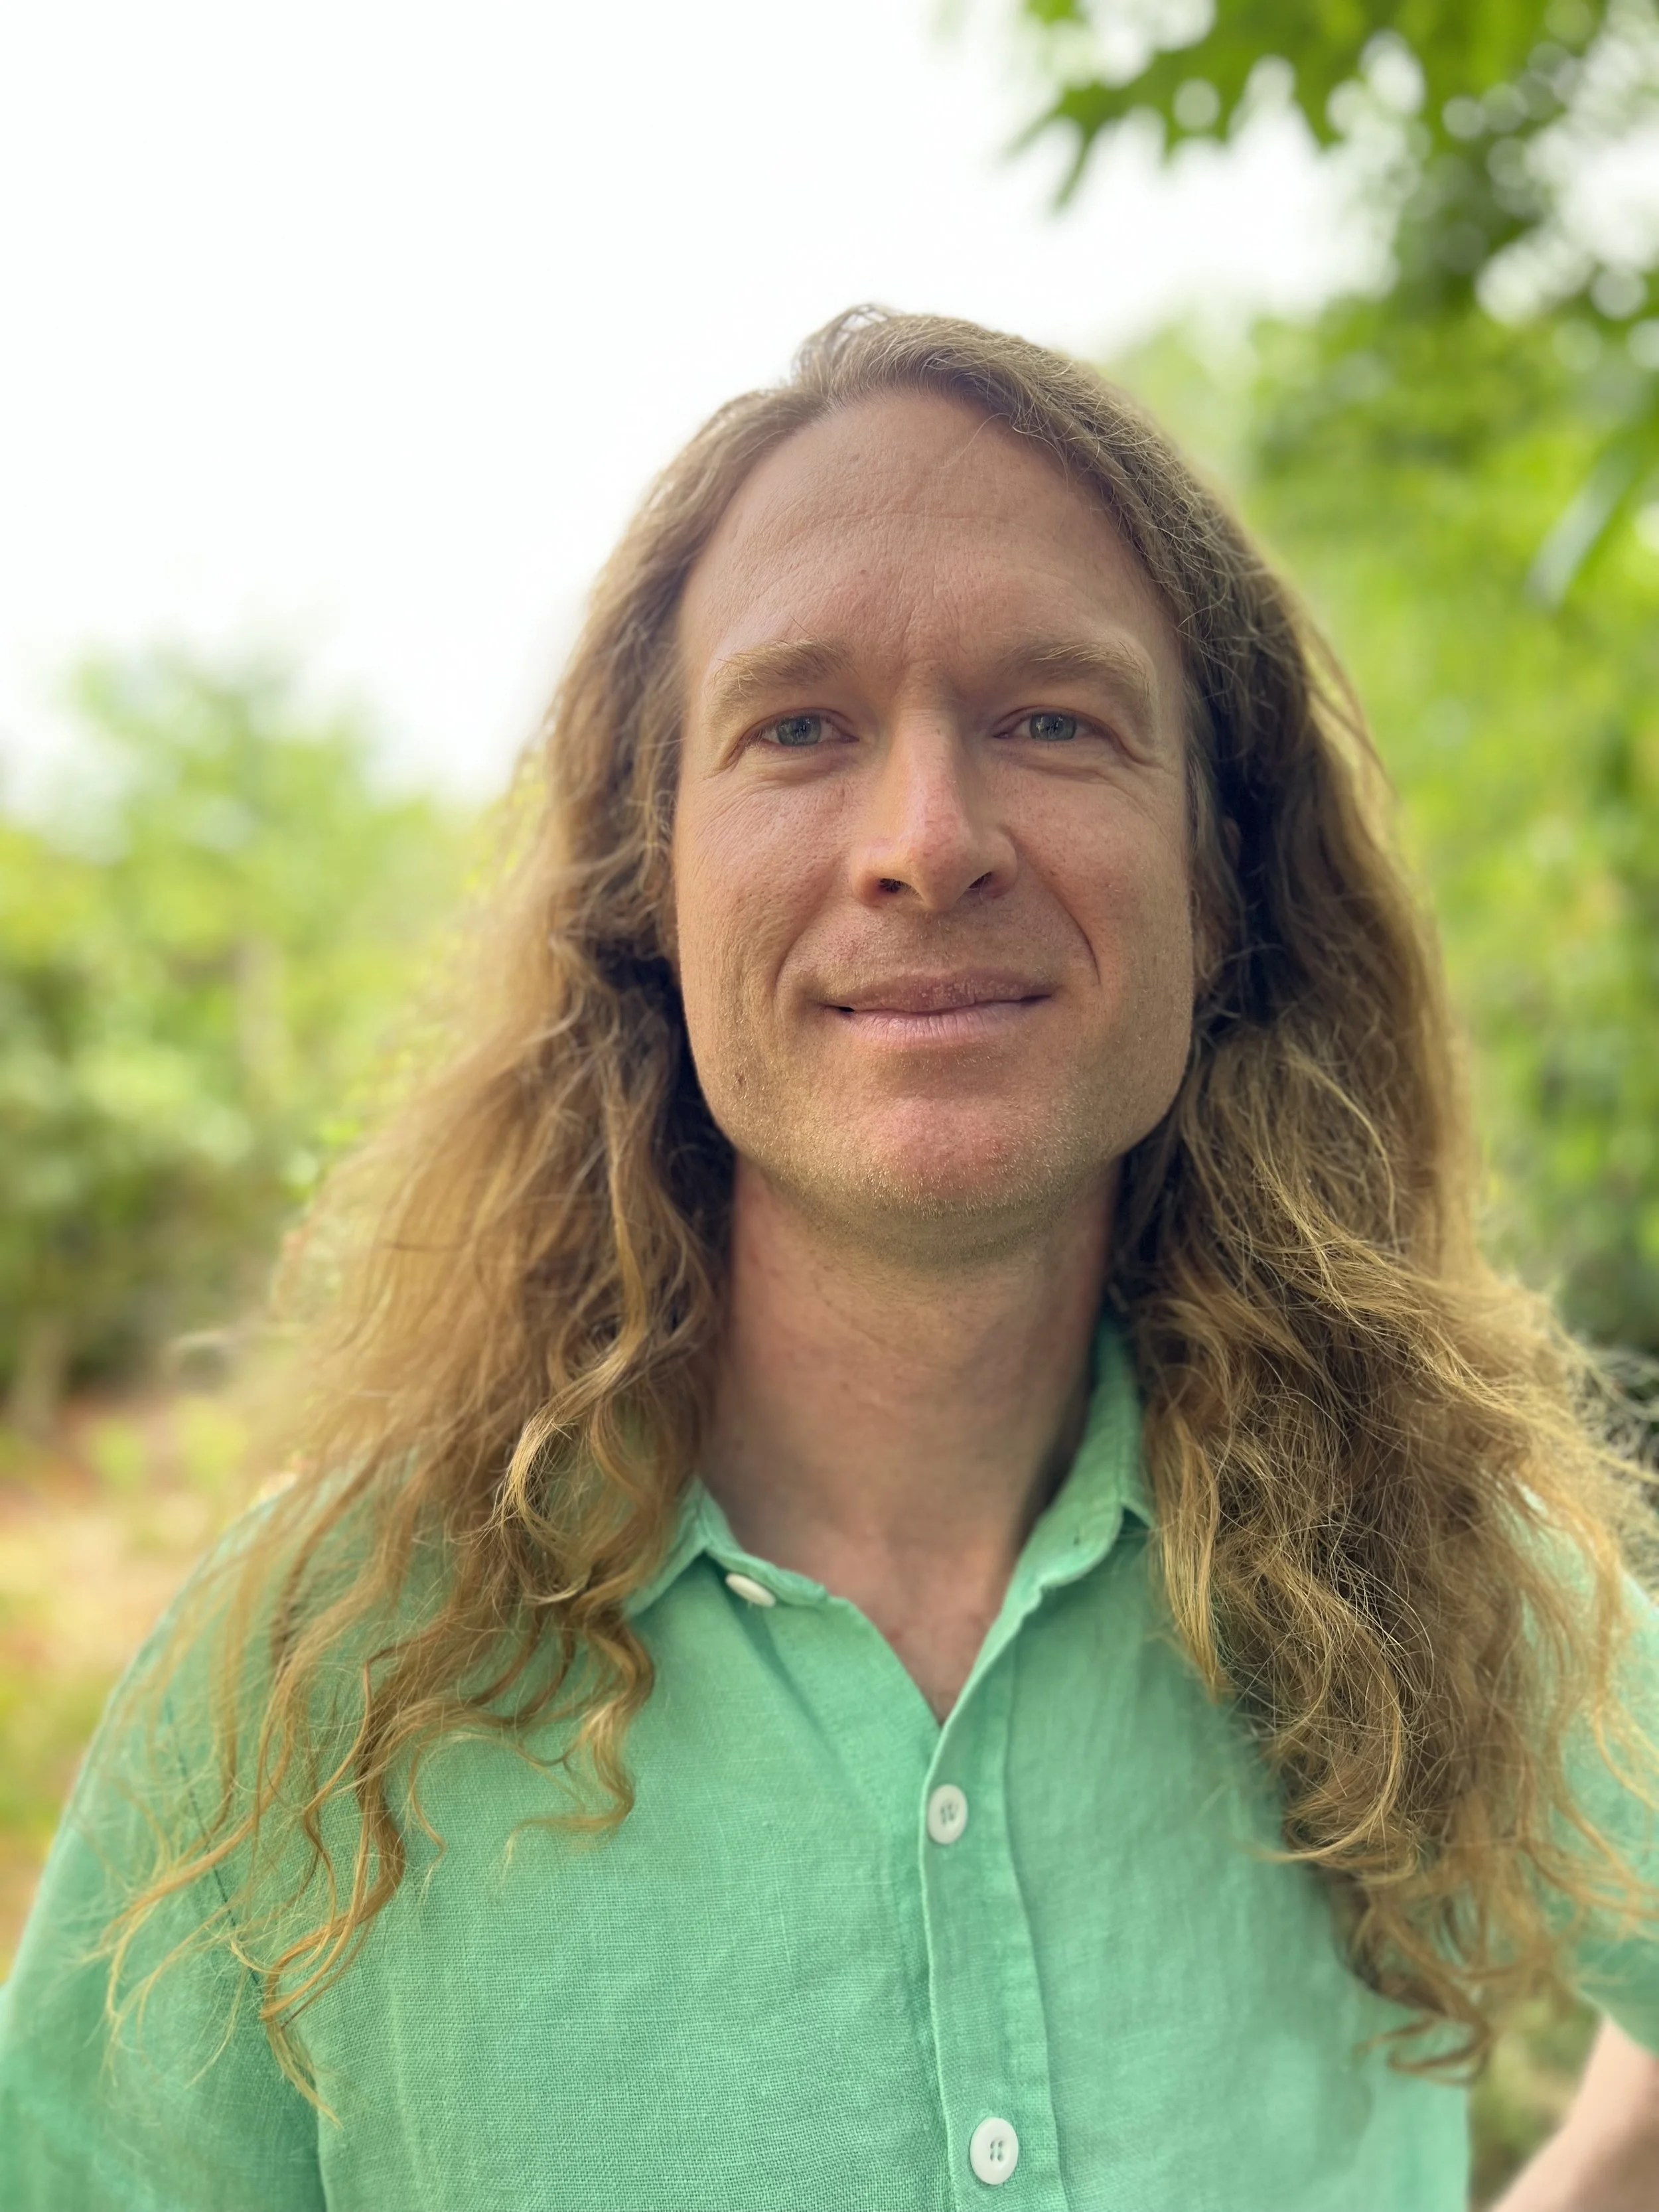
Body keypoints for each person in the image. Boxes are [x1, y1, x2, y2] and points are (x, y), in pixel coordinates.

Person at [3, 309, 1658, 2212]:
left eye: (1050, 717)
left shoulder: (1440, 1560)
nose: (927, 839)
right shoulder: (301, 1680)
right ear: (654, 888)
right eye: (798, 727)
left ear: (1218, 885)